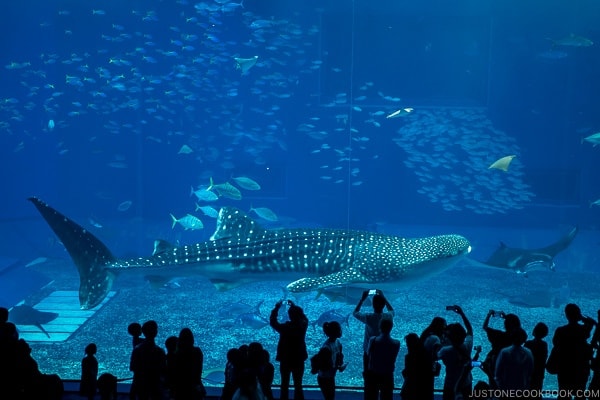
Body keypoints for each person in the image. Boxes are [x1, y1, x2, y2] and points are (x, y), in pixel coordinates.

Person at [551, 303, 595, 400]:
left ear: (566, 315)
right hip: (581, 368)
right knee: (580, 393)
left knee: (564, 394)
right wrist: (581, 317)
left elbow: (555, 344)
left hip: (564, 367)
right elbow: (592, 322)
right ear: (578, 314)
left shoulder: (560, 330)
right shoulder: (583, 330)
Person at [269, 300, 309, 400]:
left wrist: (276, 308)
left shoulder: (285, 328)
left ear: (290, 316)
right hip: (299, 358)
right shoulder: (302, 326)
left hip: (285, 359)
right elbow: (304, 318)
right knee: (298, 384)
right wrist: (294, 307)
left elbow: (273, 322)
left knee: (284, 384)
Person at [353, 290, 395, 375]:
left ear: (372, 305)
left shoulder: (368, 317)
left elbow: (355, 313)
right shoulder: (388, 317)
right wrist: (384, 298)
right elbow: (391, 310)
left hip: (369, 352)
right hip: (384, 351)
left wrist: (362, 299)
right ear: (383, 305)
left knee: (369, 375)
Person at [437, 305, 473, 400]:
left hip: (450, 384)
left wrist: (440, 340)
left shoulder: (445, 350)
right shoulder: (467, 346)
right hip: (466, 383)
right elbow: (470, 330)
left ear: (450, 338)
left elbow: (435, 356)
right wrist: (462, 313)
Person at [481, 310, 521, 387]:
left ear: (505, 325)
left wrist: (489, 314)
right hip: (510, 367)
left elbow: (485, 327)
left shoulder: (498, 335)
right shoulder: (516, 338)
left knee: (493, 383)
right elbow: (519, 331)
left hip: (494, 363)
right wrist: (506, 317)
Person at [130, 320, 166, 400]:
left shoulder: (137, 349)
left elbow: (133, 368)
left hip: (141, 385)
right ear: (156, 332)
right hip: (155, 386)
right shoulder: (159, 351)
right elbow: (163, 370)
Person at [365, 318, 400, 400]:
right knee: (387, 397)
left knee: (372, 396)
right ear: (391, 327)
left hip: (374, 374)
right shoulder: (396, 343)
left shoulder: (372, 340)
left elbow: (368, 353)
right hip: (387, 375)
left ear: (379, 327)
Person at [494, 327, 534, 392]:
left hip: (506, 389)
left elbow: (497, 372)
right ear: (524, 339)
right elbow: (530, 372)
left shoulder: (504, 352)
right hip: (522, 389)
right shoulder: (528, 352)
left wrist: (501, 387)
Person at [316, 321, 346, 400]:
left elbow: (338, 359)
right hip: (324, 378)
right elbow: (324, 367)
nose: (340, 330)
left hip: (330, 376)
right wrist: (338, 367)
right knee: (329, 397)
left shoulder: (338, 342)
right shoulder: (326, 347)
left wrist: (339, 365)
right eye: (339, 329)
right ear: (335, 331)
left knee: (330, 397)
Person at [400, 332, 432, 400]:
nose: (407, 346)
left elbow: (408, 374)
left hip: (410, 388)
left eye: (408, 344)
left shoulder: (409, 357)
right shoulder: (426, 355)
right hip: (423, 388)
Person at [524, 322, 548, 392]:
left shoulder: (528, 343)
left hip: (527, 373)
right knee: (537, 392)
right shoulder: (544, 344)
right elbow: (544, 358)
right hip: (539, 373)